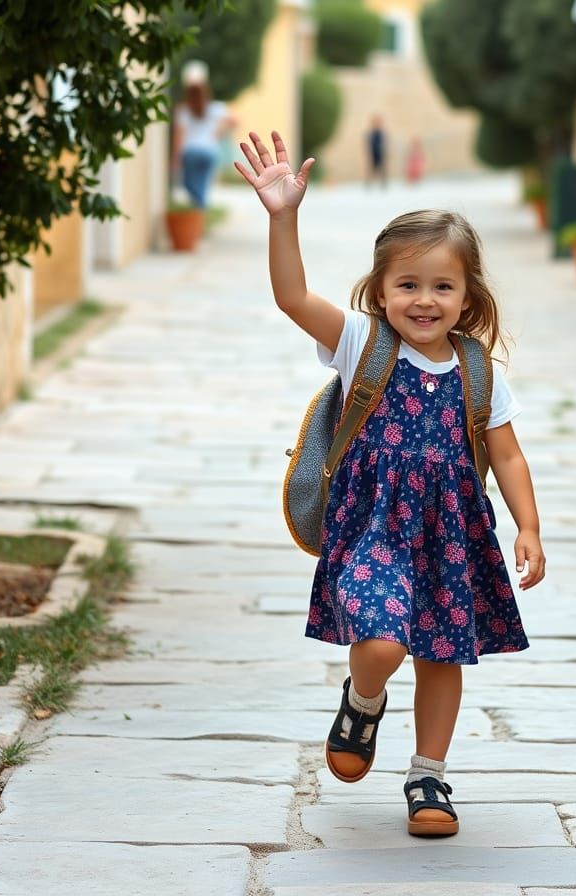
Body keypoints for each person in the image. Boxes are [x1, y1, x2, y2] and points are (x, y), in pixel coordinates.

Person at [234, 130, 546, 838]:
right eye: (408, 285)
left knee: (441, 654)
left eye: (442, 286)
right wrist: (283, 217)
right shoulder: (361, 344)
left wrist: (527, 526)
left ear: (467, 297)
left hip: (451, 536)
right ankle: (364, 699)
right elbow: (291, 296)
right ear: (380, 291)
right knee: (381, 639)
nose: (424, 300)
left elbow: (507, 457)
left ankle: (428, 774)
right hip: (373, 529)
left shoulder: (478, 372)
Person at [171, 60, 237, 209]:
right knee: (202, 184)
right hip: (210, 151)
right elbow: (235, 120)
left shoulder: (183, 110)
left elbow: (179, 137)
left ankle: (200, 208)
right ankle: (200, 209)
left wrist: (175, 159)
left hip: (191, 152)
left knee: (188, 184)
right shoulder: (216, 108)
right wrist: (220, 130)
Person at [365, 115, 388, 187]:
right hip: (373, 153)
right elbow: (368, 144)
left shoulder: (382, 133)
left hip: (380, 153)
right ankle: (369, 184)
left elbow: (385, 143)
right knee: (371, 169)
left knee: (382, 169)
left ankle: (383, 184)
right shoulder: (371, 134)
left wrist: (385, 152)